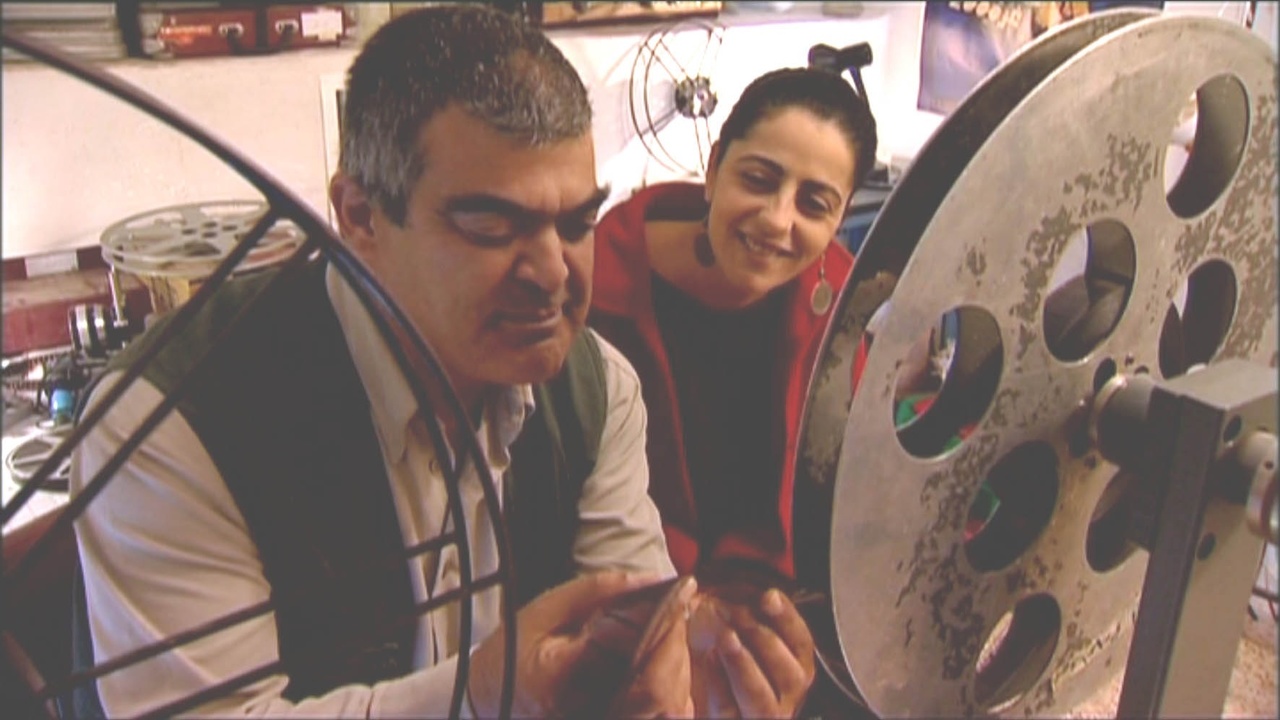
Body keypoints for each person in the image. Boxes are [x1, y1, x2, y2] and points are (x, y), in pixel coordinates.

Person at [68, 6, 686, 718]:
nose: (553, 274)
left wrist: (679, 664)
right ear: (360, 216)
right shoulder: (173, 421)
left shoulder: (595, 391)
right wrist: (483, 694)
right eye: (491, 227)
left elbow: (633, 632)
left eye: (577, 223)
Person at [589, 65, 879, 710]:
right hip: (631, 611)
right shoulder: (596, 286)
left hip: (781, 613)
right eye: (759, 179)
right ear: (715, 166)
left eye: (814, 203)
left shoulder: (841, 300)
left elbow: (840, 482)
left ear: (842, 215)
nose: (777, 220)